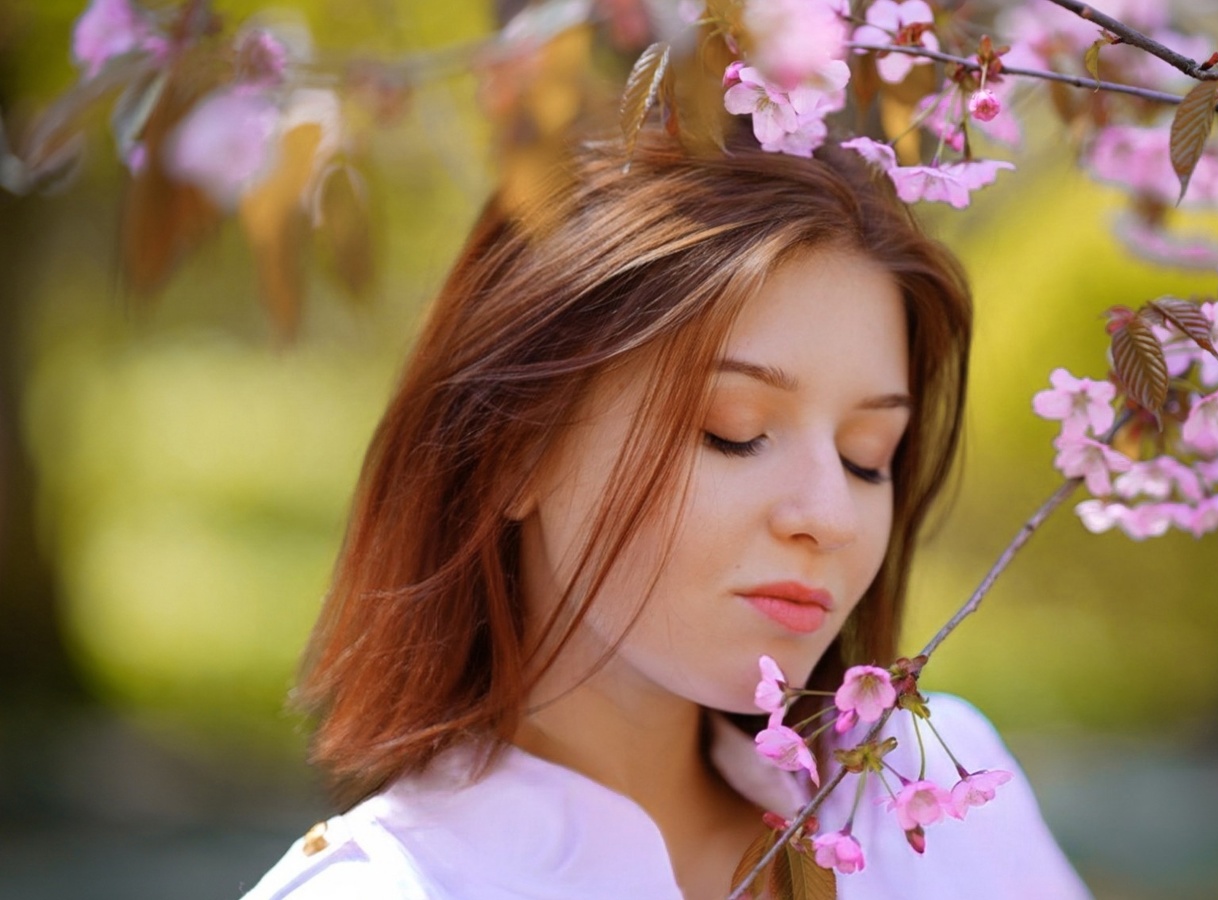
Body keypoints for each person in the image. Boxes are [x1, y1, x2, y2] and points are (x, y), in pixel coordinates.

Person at [242, 126, 1091, 899]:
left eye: (867, 456)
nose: (829, 516)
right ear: (512, 450)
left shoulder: (930, 797)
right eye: (734, 433)